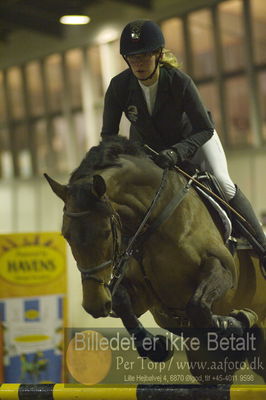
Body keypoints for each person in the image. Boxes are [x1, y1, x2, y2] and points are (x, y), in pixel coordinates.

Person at [100, 19, 266, 271]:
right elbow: (109, 136)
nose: (138, 63)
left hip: (194, 140)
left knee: (222, 182)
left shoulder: (179, 81)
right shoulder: (119, 87)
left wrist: (177, 152)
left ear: (158, 54)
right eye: (132, 57)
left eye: (144, 56)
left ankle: (261, 246)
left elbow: (205, 128)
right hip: (150, 149)